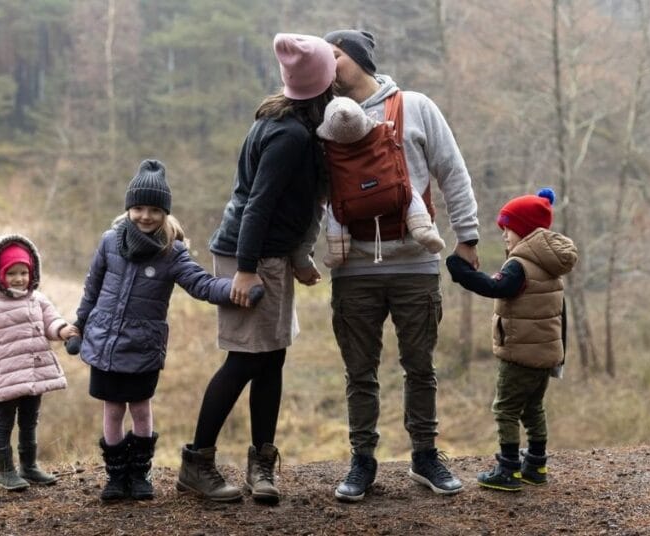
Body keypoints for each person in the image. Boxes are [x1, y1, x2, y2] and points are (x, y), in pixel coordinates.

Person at [322, 29, 481, 502]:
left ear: (358, 59)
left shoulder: (416, 106)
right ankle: (362, 460)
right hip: (352, 269)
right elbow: (312, 193)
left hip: (416, 261)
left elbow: (452, 170)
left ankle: (425, 455)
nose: (327, 67)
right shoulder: (321, 117)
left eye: (334, 56)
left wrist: (467, 237)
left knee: (420, 366)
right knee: (360, 372)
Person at [176, 32, 334, 505]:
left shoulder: (282, 118)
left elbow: (287, 206)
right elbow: (258, 205)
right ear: (324, 85)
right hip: (249, 254)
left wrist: (295, 258)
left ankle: (261, 464)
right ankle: (197, 463)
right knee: (245, 358)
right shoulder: (288, 134)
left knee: (273, 355)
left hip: (268, 254)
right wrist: (245, 271)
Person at [73, 159, 240, 502]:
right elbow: (92, 288)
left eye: (153, 209)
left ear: (165, 213)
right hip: (104, 342)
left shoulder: (171, 252)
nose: (145, 216)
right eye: (138, 208)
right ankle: (117, 476)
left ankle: (140, 473)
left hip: (143, 347)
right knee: (113, 409)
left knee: (140, 408)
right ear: (128, 208)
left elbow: (201, 284)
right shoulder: (109, 242)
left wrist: (234, 290)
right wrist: (78, 324)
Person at [445, 188, 577, 491]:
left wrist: (460, 270)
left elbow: (496, 288)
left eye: (509, 229)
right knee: (533, 408)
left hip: (520, 354)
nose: (505, 236)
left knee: (505, 409)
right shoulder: (549, 264)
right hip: (545, 354)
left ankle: (508, 470)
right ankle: (536, 466)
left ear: (525, 230)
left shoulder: (519, 265)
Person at [0, 234, 79, 491]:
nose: (19, 278)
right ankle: (5, 471)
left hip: (33, 375)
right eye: (12, 273)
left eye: (24, 272)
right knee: (3, 423)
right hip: (3, 378)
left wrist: (62, 331)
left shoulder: (38, 300)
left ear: (32, 272)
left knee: (29, 421)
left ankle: (29, 466)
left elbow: (52, 321)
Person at [316, 96, 445, 267]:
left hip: (351, 203)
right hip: (390, 190)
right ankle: (421, 229)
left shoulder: (330, 147)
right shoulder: (380, 129)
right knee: (408, 190)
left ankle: (338, 250)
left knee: (335, 211)